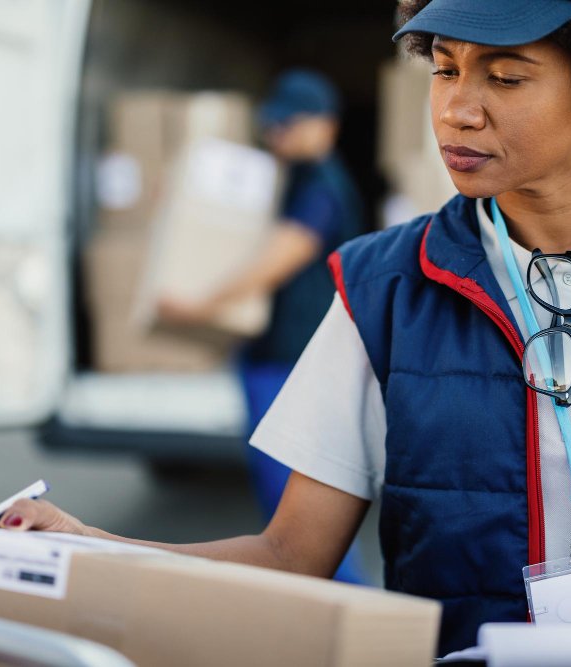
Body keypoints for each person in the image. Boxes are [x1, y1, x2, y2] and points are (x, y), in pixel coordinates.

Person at [0, 0, 571, 655]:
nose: (456, 108)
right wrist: (87, 545)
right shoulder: (380, 288)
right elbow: (290, 553)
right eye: (444, 68)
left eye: (505, 77)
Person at [157, 69, 369, 584]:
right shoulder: (290, 179)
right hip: (272, 357)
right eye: (274, 125)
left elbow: (282, 256)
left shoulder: (322, 186)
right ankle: (322, 609)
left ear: (326, 125)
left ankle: (356, 613)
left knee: (300, 510)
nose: (278, 136)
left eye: (290, 125)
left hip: (295, 363)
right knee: (287, 508)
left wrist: (200, 305)